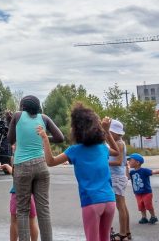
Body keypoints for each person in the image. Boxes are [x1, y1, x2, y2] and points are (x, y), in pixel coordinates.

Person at [38, 103, 120, 241]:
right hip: (110, 201)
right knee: (105, 238)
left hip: (91, 201)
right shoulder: (102, 147)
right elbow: (117, 152)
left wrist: (46, 139)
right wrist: (106, 131)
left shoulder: (74, 150)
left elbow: (50, 161)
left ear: (77, 129)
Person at [7, 95, 64, 241]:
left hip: (22, 166)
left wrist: (11, 124)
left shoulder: (18, 115)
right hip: (41, 165)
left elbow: (10, 139)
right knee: (43, 210)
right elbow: (60, 137)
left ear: (23, 106)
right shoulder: (44, 118)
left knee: (23, 210)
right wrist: (43, 136)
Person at [0, 163, 40, 241]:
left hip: (17, 192)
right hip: (31, 193)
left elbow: (15, 174)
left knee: (14, 220)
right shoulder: (35, 158)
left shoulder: (19, 157)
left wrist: (7, 166)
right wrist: (7, 166)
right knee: (32, 221)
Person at [107, 120, 131, 240]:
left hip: (117, 177)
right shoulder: (118, 142)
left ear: (116, 133)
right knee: (123, 205)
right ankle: (126, 232)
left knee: (120, 206)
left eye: (110, 132)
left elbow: (118, 162)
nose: (108, 135)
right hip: (119, 177)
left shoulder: (119, 144)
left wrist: (104, 162)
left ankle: (122, 234)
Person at [127, 153, 159, 225]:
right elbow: (128, 177)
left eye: (130, 160)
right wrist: (127, 168)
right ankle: (144, 217)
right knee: (140, 205)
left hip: (146, 192)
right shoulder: (132, 172)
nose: (129, 162)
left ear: (137, 162)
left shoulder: (144, 170)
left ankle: (153, 216)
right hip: (137, 193)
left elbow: (153, 172)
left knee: (148, 205)